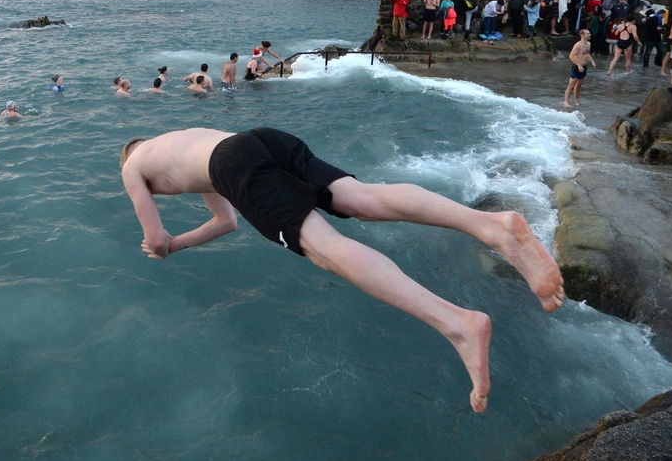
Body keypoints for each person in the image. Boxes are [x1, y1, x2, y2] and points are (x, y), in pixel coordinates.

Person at [118, 128, 565, 414]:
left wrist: (165, 247)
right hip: (258, 140)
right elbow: (226, 220)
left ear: (129, 156)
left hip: (231, 164)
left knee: (325, 248)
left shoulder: (133, 166)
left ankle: (457, 324)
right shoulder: (177, 143)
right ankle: (492, 225)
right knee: (365, 199)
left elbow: (155, 239)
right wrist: (182, 242)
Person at [565, 29, 597, 107]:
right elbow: (571, 56)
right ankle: (566, 102)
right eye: (587, 34)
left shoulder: (588, 44)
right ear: (582, 35)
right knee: (571, 85)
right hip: (576, 67)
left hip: (584, 67)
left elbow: (587, 54)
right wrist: (579, 65)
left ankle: (576, 99)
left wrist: (592, 61)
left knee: (579, 85)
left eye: (589, 33)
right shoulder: (578, 45)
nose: (590, 35)